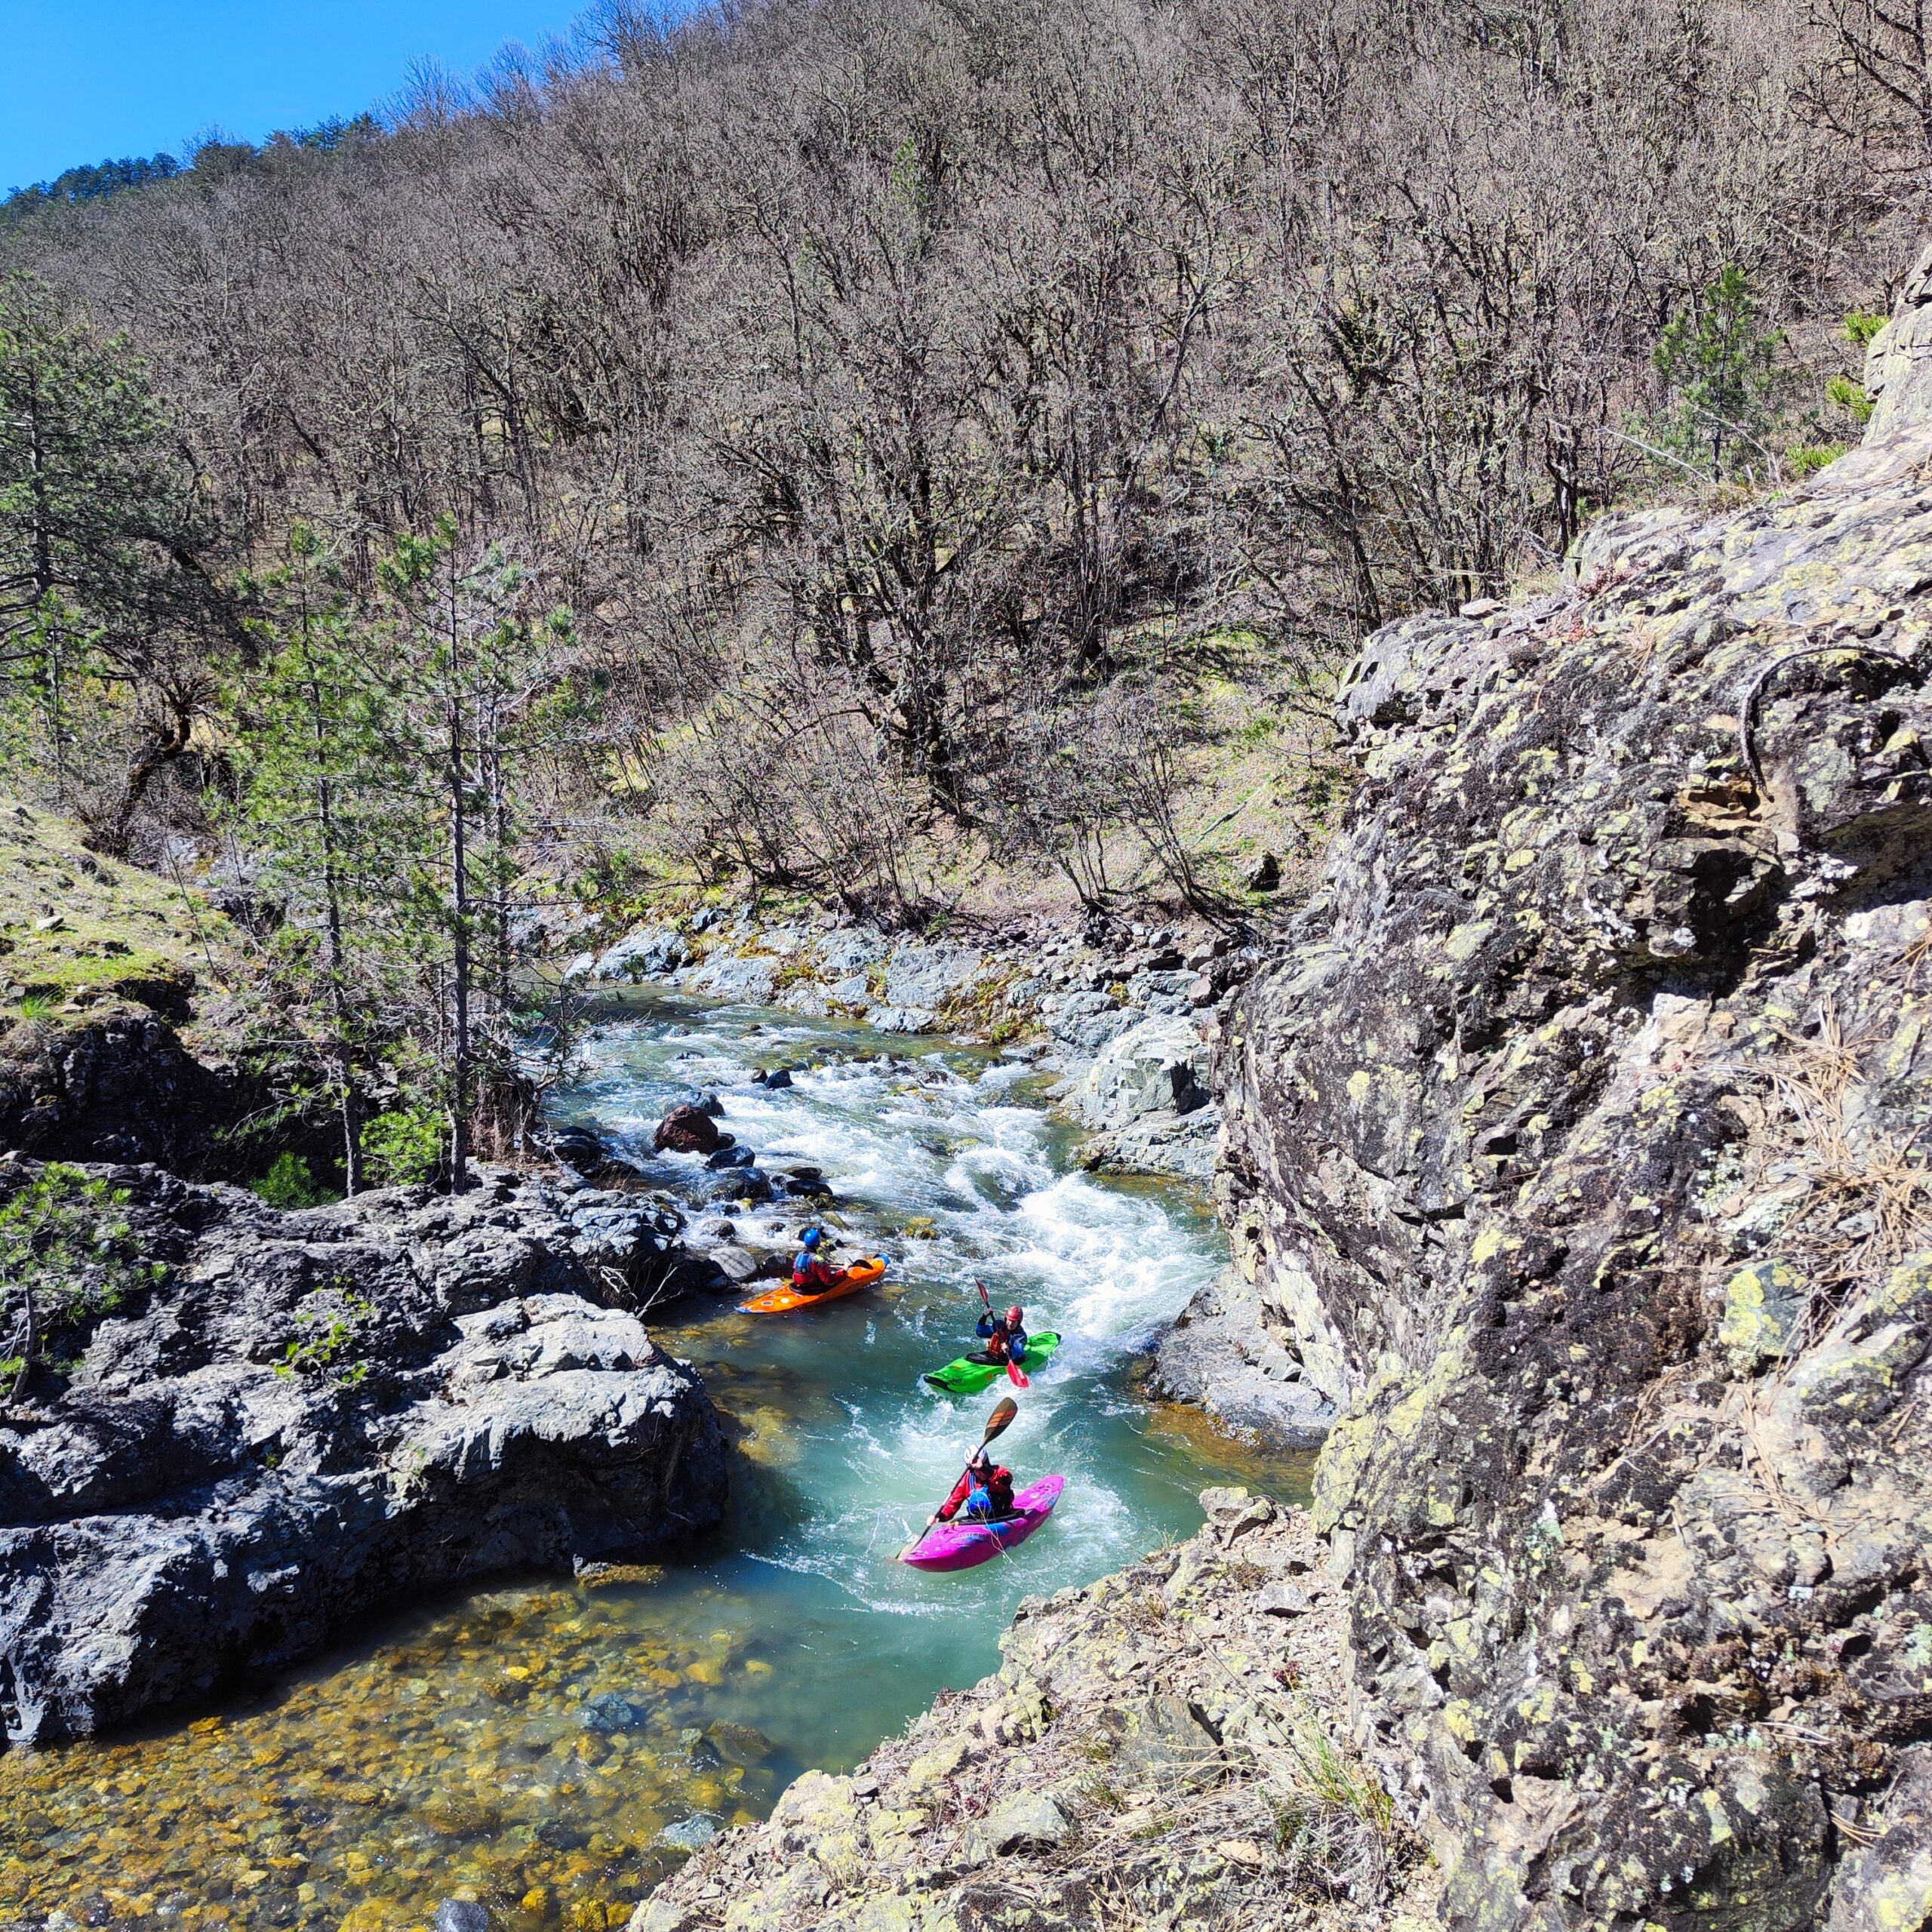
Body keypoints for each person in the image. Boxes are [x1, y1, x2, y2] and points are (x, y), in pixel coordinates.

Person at [934, 1451, 1016, 1523]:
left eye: (982, 1470)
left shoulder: (999, 1471)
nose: (980, 1473)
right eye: (976, 1471)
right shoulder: (967, 1480)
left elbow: (1006, 1481)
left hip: (1002, 1518)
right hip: (977, 1522)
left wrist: (982, 1467)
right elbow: (953, 1504)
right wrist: (939, 1517)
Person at [971, 1303, 1029, 1367]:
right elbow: (980, 1332)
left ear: (1019, 1322)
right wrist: (984, 1317)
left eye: (1014, 1322)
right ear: (1006, 1319)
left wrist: (1008, 1349)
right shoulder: (999, 1326)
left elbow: (1016, 1354)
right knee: (971, 1356)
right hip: (997, 1356)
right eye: (1009, 1320)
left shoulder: (1021, 1336)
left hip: (1011, 1360)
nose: (1010, 1324)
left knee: (971, 1357)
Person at [791, 1226, 840, 1292]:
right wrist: (842, 1272)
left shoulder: (799, 1255)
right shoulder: (819, 1260)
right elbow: (828, 1281)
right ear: (818, 1242)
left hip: (799, 1285)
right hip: (812, 1287)